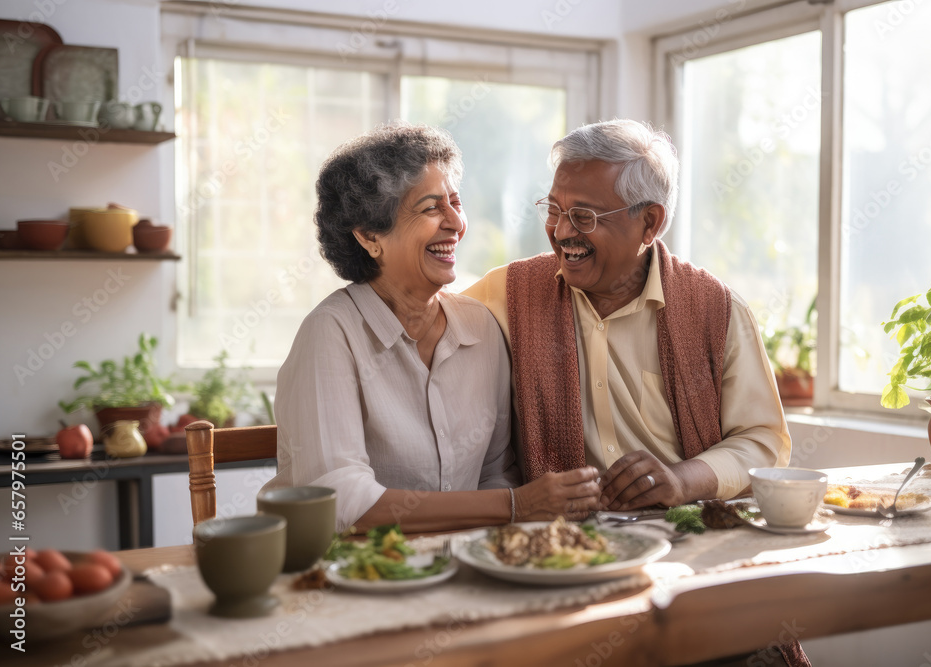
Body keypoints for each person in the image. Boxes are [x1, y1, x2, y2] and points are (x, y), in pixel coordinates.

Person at [263, 122, 601, 533]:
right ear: (371, 236)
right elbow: (342, 503)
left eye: (455, 202)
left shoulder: (481, 329)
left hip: (457, 565)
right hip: (353, 572)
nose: (456, 223)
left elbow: (496, 472)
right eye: (430, 208)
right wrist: (515, 505)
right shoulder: (330, 334)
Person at [464, 119, 792, 512]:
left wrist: (681, 481)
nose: (561, 231)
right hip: (559, 546)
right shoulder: (506, 293)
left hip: (684, 532)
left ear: (650, 222)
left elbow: (763, 442)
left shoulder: (717, 312)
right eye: (554, 209)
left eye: (585, 216)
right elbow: (424, 322)